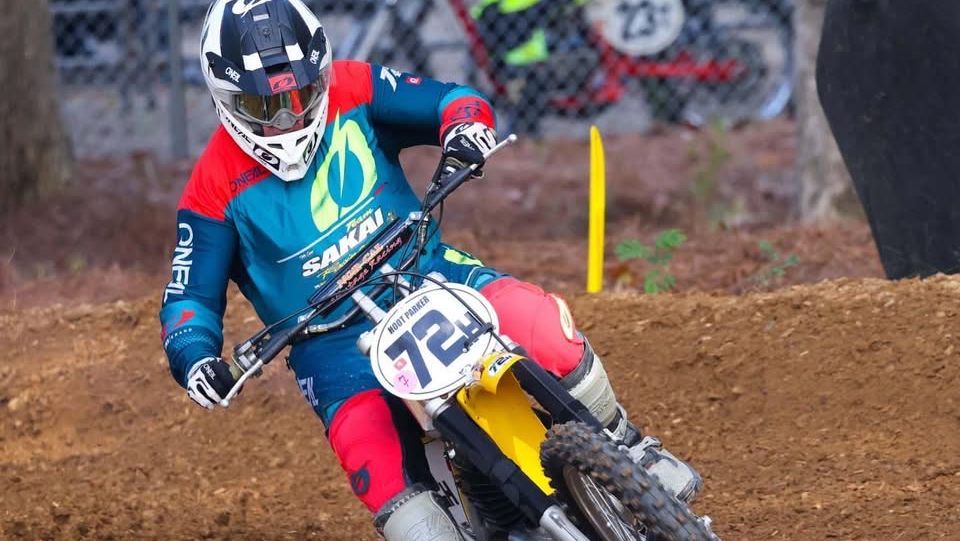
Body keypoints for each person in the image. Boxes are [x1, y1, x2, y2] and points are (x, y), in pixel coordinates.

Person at [159, 1, 700, 539]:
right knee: (386, 481)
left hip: (425, 271)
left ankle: (631, 447)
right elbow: (187, 299)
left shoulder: (355, 86)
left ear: (320, 70)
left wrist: (465, 130)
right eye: (264, 105)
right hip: (331, 344)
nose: (288, 117)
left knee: (540, 326)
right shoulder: (211, 189)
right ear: (224, 98)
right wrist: (196, 357)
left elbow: (453, 99)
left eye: (300, 95)